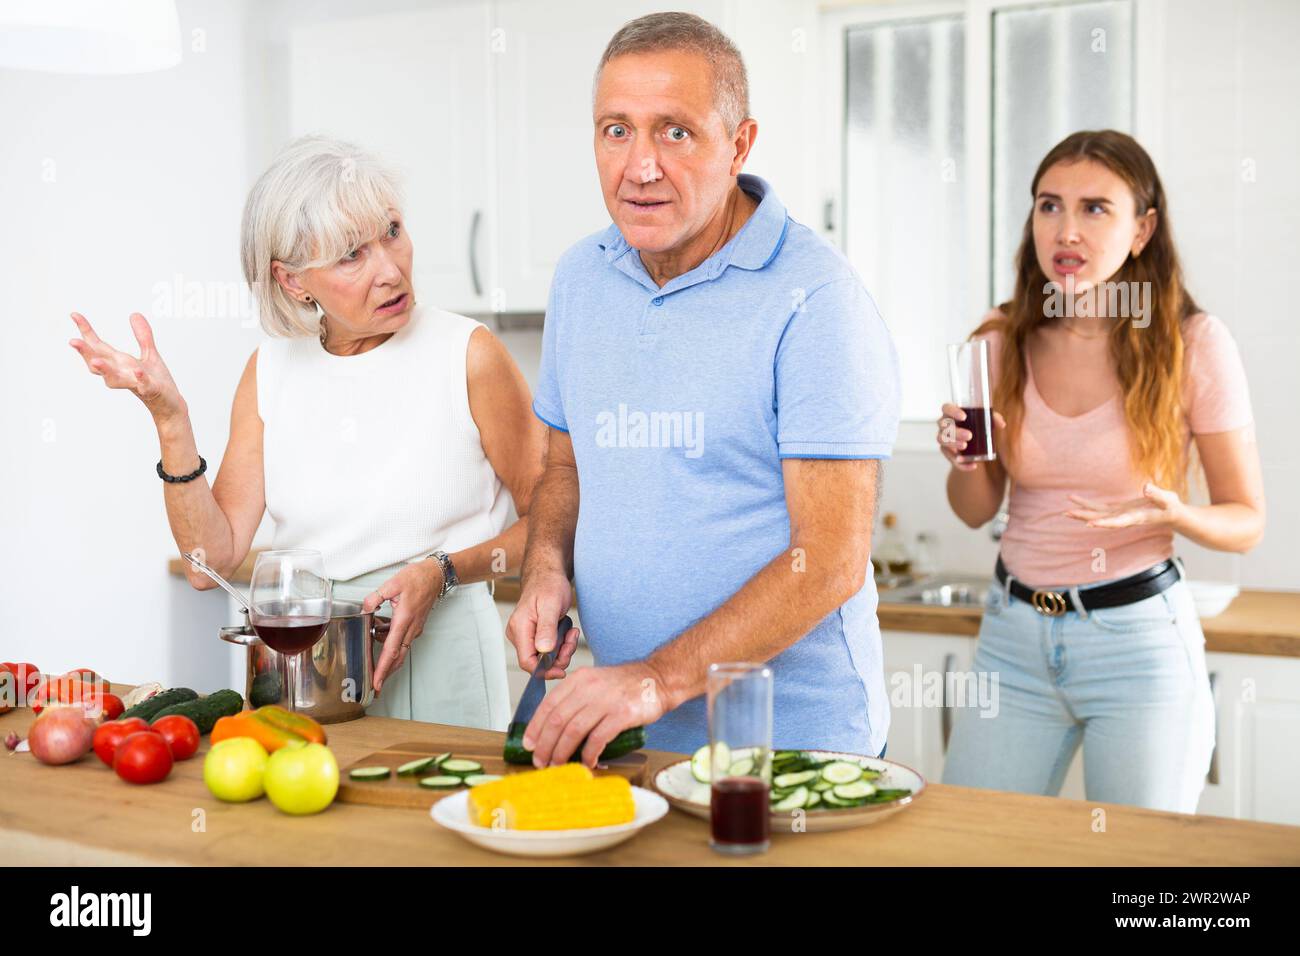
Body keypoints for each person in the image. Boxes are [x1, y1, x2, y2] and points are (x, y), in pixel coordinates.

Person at [505, 12, 900, 767]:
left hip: (793, 751)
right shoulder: (580, 278)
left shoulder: (816, 300)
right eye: (615, 130)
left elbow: (828, 560)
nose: (639, 165)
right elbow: (564, 468)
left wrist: (656, 678)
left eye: (674, 132)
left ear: (739, 144)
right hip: (628, 741)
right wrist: (547, 569)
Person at [68, 135, 546, 730]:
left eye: (392, 231)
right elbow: (206, 562)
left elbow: (554, 523)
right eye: (352, 255)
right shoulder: (271, 369)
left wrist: (442, 572)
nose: (390, 269)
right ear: (293, 282)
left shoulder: (467, 355)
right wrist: (170, 417)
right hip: (311, 667)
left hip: (441, 650)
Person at [938, 129, 1265, 813]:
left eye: (1095, 209)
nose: (1067, 230)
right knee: (969, 847)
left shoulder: (1193, 344)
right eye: (1049, 206)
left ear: (1143, 229)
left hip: (1137, 646)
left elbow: (1245, 521)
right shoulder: (997, 340)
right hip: (1013, 640)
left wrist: (1178, 515)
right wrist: (969, 457)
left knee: (1138, 870)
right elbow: (974, 509)